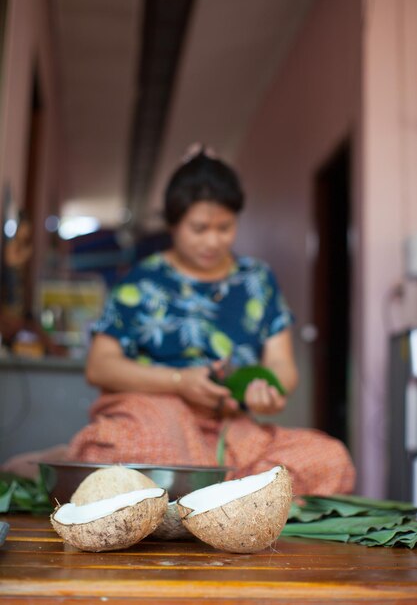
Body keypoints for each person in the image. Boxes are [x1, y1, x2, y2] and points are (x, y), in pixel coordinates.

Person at [1, 146, 355, 495]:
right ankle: (87, 458)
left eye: (225, 227)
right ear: (173, 223)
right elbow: (100, 366)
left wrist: (268, 391)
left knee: (330, 459)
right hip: (152, 413)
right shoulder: (142, 281)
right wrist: (179, 381)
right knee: (165, 455)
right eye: (199, 228)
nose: (213, 240)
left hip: (227, 426)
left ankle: (203, 487)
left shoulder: (257, 280)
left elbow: (281, 365)